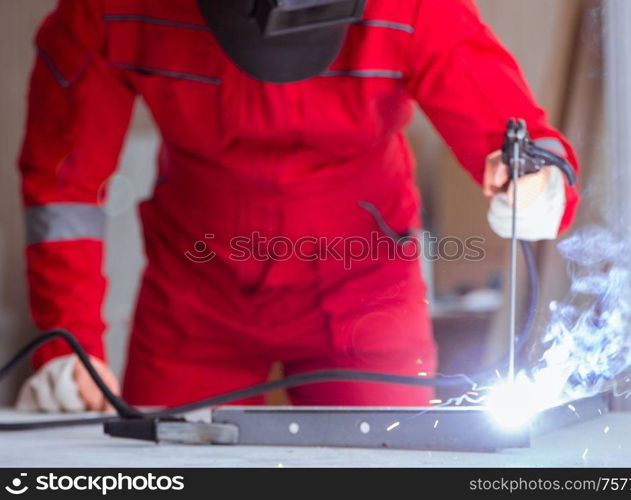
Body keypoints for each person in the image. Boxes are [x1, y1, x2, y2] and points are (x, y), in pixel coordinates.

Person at [16, 0, 579, 412]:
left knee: (383, 471)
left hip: (366, 292)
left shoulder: (413, 5)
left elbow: (514, 128)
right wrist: (69, 341)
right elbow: (63, 186)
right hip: (194, 300)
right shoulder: (111, 9)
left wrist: (540, 180)